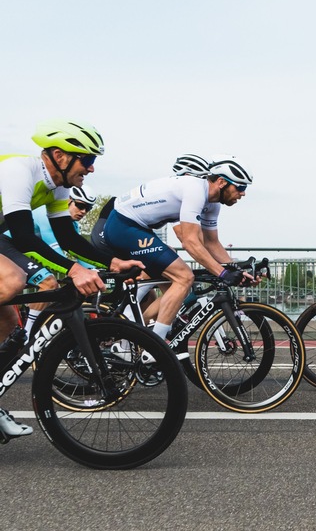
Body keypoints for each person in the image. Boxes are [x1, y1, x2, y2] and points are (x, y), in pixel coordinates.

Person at [0, 119, 136, 441]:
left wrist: (112, 261)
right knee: (12, 282)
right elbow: (22, 235)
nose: (90, 169)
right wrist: (74, 270)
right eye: (87, 160)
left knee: (10, 330)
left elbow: (68, 238)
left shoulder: (56, 185)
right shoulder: (20, 170)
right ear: (60, 156)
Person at [94, 157, 255, 342]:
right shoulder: (195, 190)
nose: (243, 194)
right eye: (241, 187)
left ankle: (130, 330)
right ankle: (155, 347)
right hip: (122, 225)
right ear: (221, 182)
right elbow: (190, 241)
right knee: (184, 277)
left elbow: (211, 243)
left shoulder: (213, 204)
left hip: (139, 228)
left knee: (178, 287)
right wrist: (222, 273)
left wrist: (236, 269)